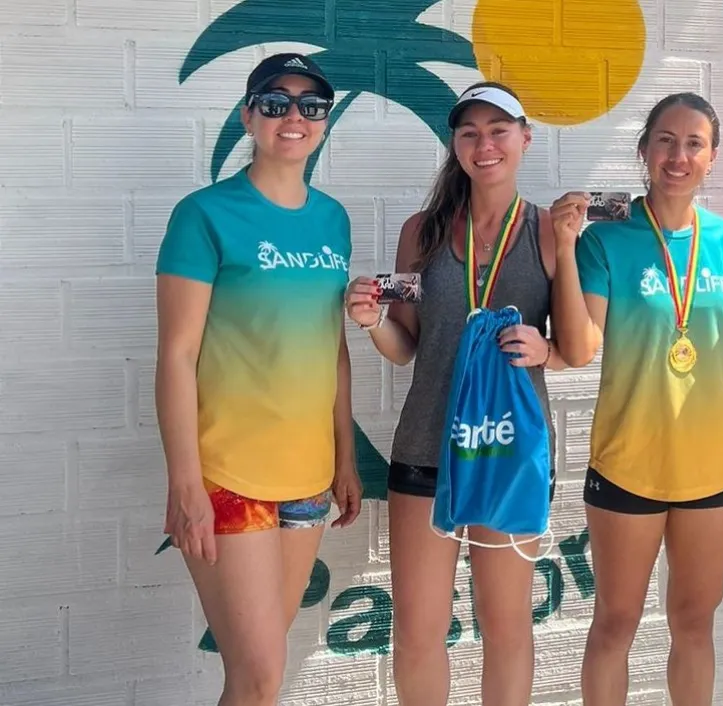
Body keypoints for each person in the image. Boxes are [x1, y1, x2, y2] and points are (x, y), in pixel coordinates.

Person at [547, 92, 723, 706]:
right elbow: (581, 346)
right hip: (629, 462)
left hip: (712, 466)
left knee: (694, 622)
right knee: (615, 624)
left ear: (712, 157)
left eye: (693, 144)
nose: (678, 156)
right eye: (665, 141)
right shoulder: (606, 239)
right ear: (644, 150)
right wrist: (566, 250)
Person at [343, 81, 582, 706]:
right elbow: (406, 345)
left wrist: (545, 349)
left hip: (510, 453)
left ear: (525, 138)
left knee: (506, 629)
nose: (485, 144)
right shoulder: (421, 232)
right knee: (417, 634)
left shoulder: (550, 231)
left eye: (499, 130)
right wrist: (372, 321)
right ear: (455, 144)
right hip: (426, 448)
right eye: (470, 133)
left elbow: (578, 346)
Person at [155, 53, 363, 706]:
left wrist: (345, 458)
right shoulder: (204, 215)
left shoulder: (333, 219)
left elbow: (332, 348)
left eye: (311, 105)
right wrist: (185, 482)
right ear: (249, 117)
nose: (293, 116)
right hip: (227, 476)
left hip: (307, 480)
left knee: (260, 676)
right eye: (275, 103)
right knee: (259, 676)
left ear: (324, 122)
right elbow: (176, 355)